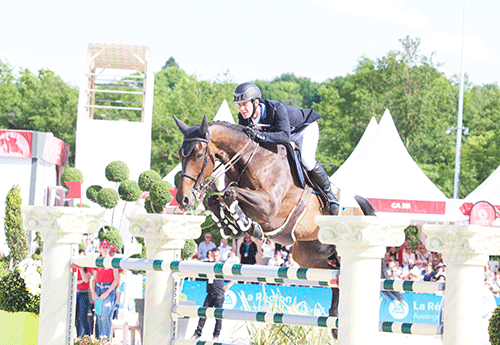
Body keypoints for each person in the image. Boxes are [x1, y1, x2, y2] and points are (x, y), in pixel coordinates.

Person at [233, 82, 339, 215]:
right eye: (239, 105)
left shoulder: (275, 108)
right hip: (284, 136)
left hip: (303, 130)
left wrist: (259, 135)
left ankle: (330, 196)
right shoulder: (243, 119)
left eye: (244, 104)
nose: (241, 109)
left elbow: (283, 136)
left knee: (307, 160)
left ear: (255, 102)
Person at [192, 248, 235, 341]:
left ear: (219, 256)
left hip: (219, 294)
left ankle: (216, 335)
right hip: (210, 293)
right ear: (211, 255)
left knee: (218, 317)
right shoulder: (209, 265)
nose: (215, 257)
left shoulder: (223, 266)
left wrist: (227, 287)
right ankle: (197, 333)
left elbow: (234, 278)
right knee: (203, 313)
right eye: (214, 255)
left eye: (217, 256)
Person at [91, 240, 120, 341]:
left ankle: (105, 341)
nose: (104, 249)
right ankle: (99, 340)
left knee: (105, 317)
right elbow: (93, 279)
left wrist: (107, 292)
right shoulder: (97, 261)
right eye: (103, 247)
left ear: (109, 249)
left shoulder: (112, 261)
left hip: (109, 290)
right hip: (99, 288)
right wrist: (93, 291)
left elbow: (116, 279)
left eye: (106, 247)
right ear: (99, 248)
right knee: (98, 317)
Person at [71, 249, 92, 337]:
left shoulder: (88, 267)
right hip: (75, 293)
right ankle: (76, 336)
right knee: (74, 316)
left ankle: (87, 336)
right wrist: (80, 281)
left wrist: (81, 269)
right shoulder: (73, 267)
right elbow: (73, 281)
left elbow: (86, 279)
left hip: (84, 293)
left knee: (82, 317)